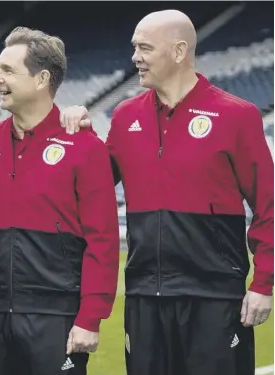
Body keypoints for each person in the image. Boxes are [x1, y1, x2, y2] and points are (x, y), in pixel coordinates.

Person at [59, 10, 273, 375]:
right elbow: (94, 181)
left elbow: (269, 206)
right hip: (144, 297)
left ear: (178, 51)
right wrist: (81, 137)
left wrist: (264, 282)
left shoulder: (238, 116)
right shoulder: (125, 116)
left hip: (215, 298)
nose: (134, 58)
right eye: (134, 48)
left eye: (144, 48)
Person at [0, 26, 120, 375]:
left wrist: (90, 318)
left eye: (7, 70)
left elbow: (103, 239)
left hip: (56, 317)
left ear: (41, 79)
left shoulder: (85, 147)